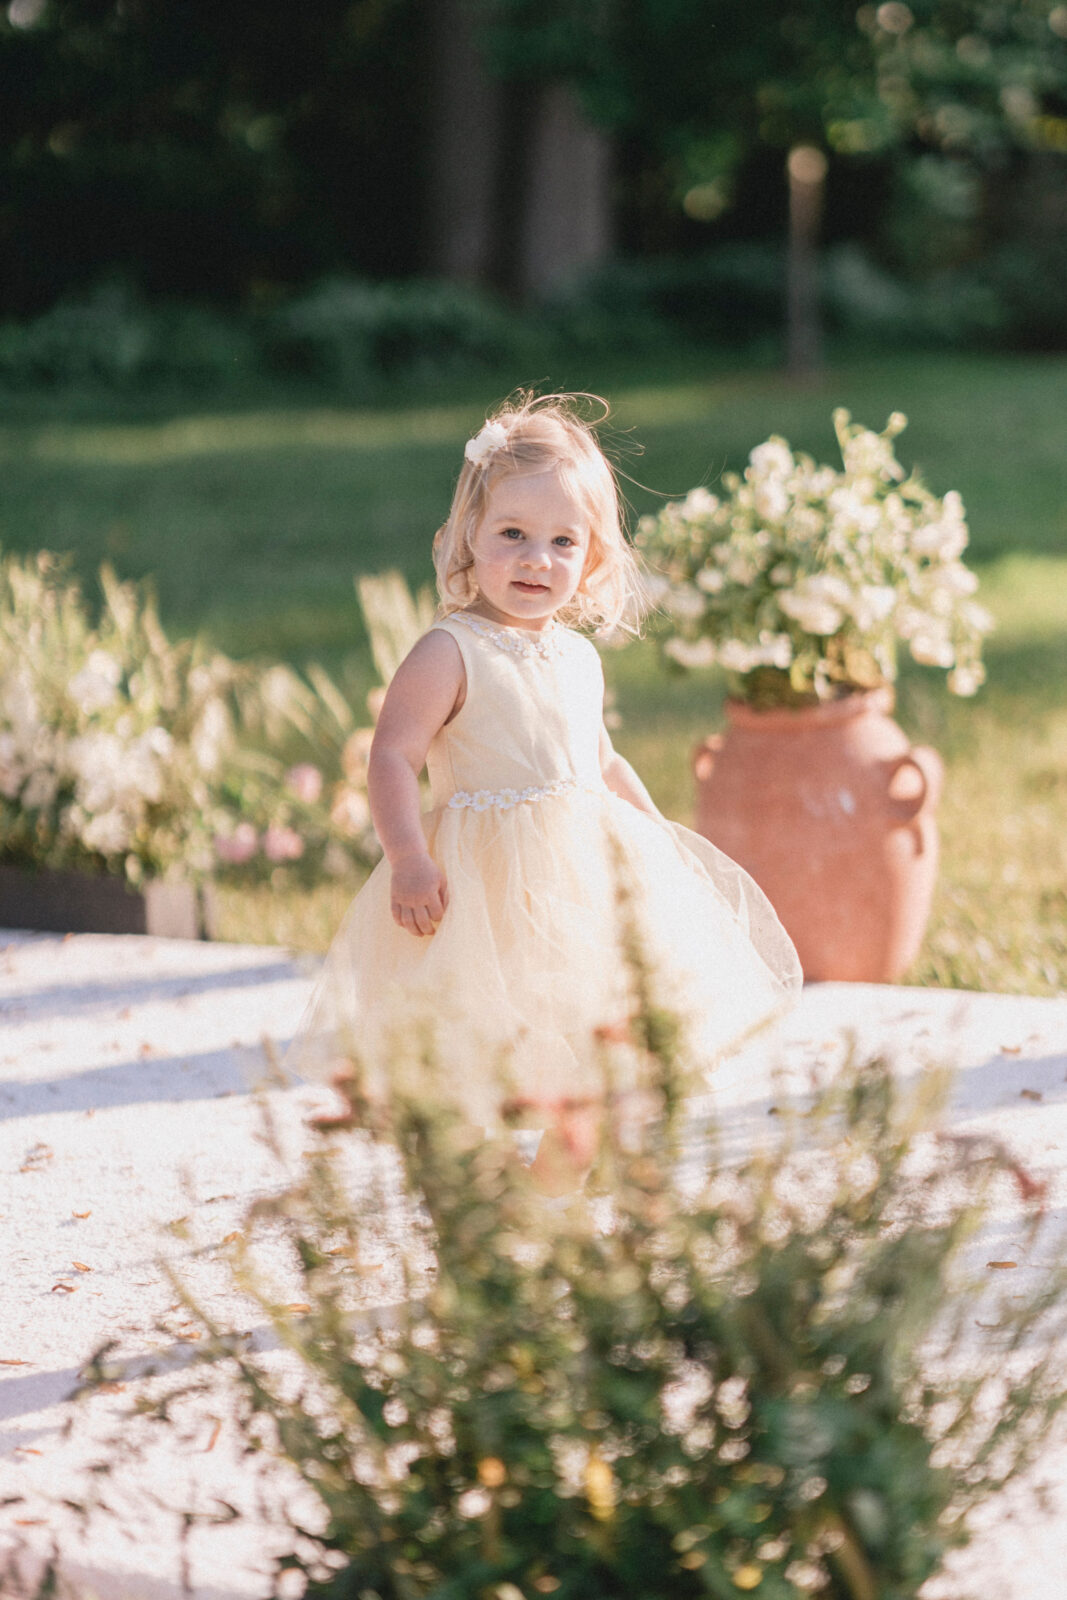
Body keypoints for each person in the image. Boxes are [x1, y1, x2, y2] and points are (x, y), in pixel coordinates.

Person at [294, 393, 802, 1192]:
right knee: (490, 1055)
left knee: (611, 1055)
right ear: (470, 535)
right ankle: (486, 1193)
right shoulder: (449, 650)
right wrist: (407, 858)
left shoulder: (575, 657)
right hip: (482, 894)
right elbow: (392, 755)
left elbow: (598, 759)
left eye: (563, 542)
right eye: (513, 536)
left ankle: (550, 1198)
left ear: (592, 557)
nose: (537, 559)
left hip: (581, 882)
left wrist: (659, 841)